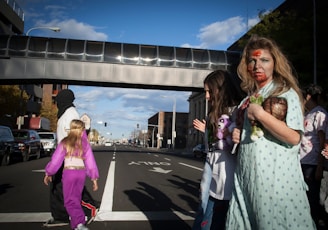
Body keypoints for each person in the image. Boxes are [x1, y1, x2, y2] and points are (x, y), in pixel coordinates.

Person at [225, 35, 316, 229]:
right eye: (252, 60)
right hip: (247, 182)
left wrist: (261, 115)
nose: (258, 65)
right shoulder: (247, 101)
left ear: (275, 63)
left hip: (275, 185)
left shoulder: (284, 93)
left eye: (264, 60)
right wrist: (238, 133)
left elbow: (294, 137)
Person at [192, 70, 245, 230]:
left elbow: (239, 141)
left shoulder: (238, 111)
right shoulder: (212, 114)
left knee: (216, 214)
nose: (207, 97)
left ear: (221, 89)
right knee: (205, 207)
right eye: (205, 92)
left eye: (209, 91)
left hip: (227, 171)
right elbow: (212, 143)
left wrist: (234, 132)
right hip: (212, 164)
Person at [44, 89, 99, 227]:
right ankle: (68, 218)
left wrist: (49, 172)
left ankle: (79, 220)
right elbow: (90, 159)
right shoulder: (66, 113)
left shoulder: (70, 114)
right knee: (70, 194)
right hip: (79, 169)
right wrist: (93, 177)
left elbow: (56, 159)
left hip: (67, 162)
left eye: (58, 99)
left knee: (69, 197)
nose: (57, 102)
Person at [300, 84, 328, 228]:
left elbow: (323, 141)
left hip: (313, 162)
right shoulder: (307, 113)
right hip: (302, 161)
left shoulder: (320, 113)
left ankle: (317, 223)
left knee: (313, 199)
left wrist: (320, 165)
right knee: (305, 198)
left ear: (309, 96)